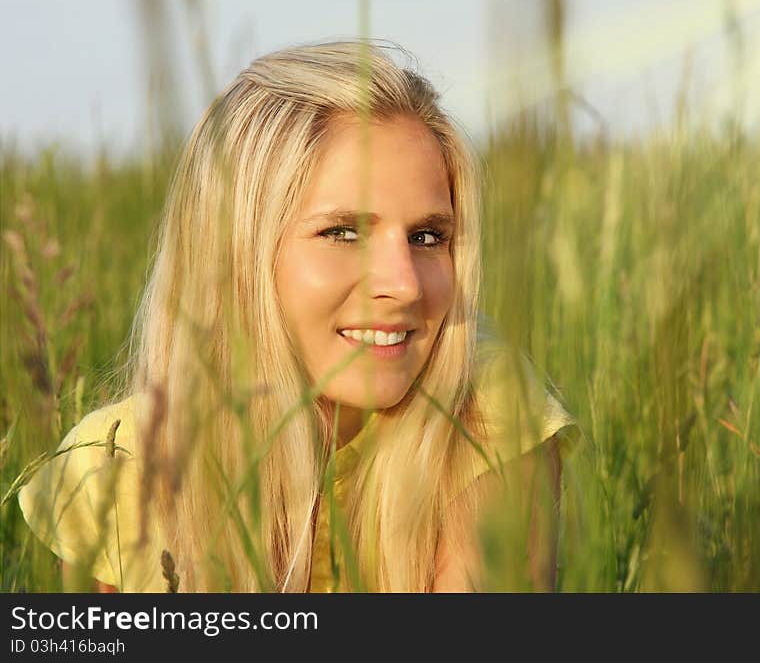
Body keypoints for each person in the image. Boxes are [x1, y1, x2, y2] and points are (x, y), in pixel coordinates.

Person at [18, 41, 579, 593]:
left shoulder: (485, 407)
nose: (404, 284)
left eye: (428, 236)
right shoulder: (119, 467)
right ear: (233, 255)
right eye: (344, 232)